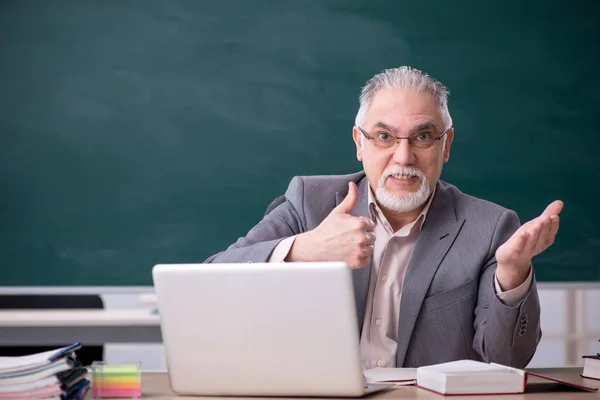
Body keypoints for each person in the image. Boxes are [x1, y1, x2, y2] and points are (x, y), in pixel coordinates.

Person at [205, 66, 562, 369]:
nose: (403, 157)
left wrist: (513, 274)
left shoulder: (489, 228)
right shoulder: (309, 203)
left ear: (446, 145)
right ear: (359, 143)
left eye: (422, 136)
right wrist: (303, 249)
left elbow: (507, 361)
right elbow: (213, 279)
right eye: (384, 136)